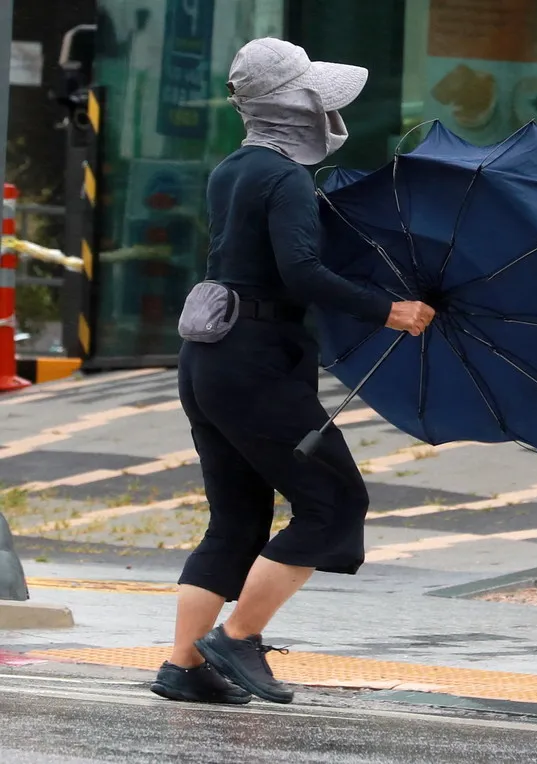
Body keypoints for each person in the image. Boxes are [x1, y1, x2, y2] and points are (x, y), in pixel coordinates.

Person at [150, 38, 435, 706]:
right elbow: (300, 272)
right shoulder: (284, 179)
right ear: (294, 107)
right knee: (332, 503)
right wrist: (388, 309)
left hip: (209, 357)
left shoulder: (234, 169)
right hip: (254, 361)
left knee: (236, 520)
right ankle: (238, 636)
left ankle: (183, 667)